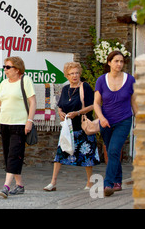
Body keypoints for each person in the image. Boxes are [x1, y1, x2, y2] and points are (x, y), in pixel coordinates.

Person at [43, 62, 100, 192]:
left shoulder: (84, 87)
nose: (74, 76)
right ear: (67, 76)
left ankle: (89, 182)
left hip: (83, 127)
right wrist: (60, 112)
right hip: (68, 128)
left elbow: (93, 106)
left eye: (77, 73)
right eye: (71, 73)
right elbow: (61, 105)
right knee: (59, 154)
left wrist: (78, 113)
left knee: (87, 156)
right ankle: (53, 182)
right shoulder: (65, 89)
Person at [0, 56, 36, 198]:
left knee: (14, 154)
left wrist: (29, 120)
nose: (5, 70)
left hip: (20, 124)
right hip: (5, 124)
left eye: (8, 67)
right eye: (4, 67)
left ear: (17, 69)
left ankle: (6, 186)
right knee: (9, 155)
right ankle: (19, 185)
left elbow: (32, 102)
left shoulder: (25, 81)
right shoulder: (4, 83)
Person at [94, 50, 137, 197]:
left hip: (124, 120)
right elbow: (96, 103)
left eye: (121, 61)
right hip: (106, 122)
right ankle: (118, 180)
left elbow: (134, 102)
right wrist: (101, 118)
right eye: (116, 61)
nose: (119, 64)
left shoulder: (130, 80)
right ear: (109, 62)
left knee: (113, 150)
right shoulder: (101, 80)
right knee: (112, 150)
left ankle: (108, 184)